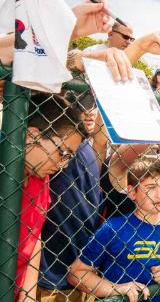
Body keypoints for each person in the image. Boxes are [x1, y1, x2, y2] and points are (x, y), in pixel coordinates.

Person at [68, 159, 160, 302]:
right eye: (151, 187)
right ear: (132, 192)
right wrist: (117, 288)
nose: (159, 194)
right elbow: (76, 273)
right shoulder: (113, 229)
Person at [37, 90, 108, 302]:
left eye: (93, 104)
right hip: (50, 272)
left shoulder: (84, 147)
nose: (88, 112)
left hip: (81, 267)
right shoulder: (57, 147)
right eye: (79, 104)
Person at [17, 93, 85, 302]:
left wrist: (28, 293)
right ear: (33, 135)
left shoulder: (41, 180)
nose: (63, 165)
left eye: (70, 157)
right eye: (62, 153)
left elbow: (34, 236)